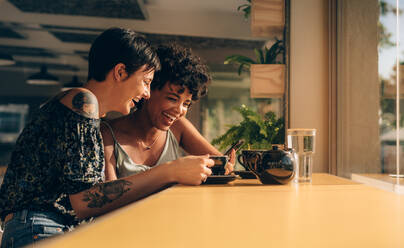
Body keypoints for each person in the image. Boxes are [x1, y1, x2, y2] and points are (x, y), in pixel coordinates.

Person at [0, 28, 214, 248]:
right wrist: (170, 171)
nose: (147, 94)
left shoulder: (89, 113)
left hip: (46, 228)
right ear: (120, 72)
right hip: (39, 228)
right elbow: (83, 202)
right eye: (146, 82)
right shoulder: (83, 100)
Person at [101, 43, 235, 181]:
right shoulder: (107, 134)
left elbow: (219, 163)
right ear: (148, 89)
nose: (179, 110)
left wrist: (226, 166)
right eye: (172, 99)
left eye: (186, 104)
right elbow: (108, 197)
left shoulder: (178, 126)